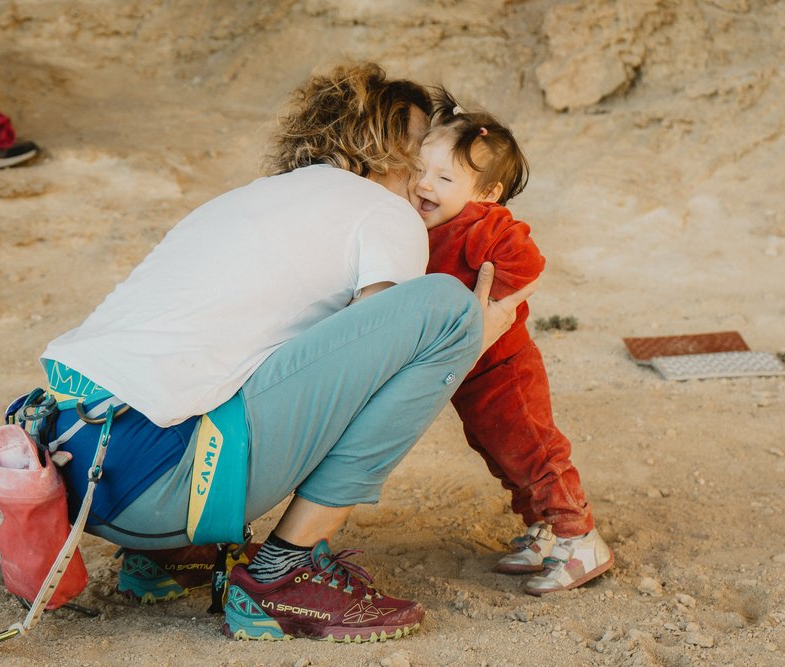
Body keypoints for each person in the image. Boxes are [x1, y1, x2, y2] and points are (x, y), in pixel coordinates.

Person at [32, 63, 535, 642]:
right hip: (158, 481)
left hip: (73, 468)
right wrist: (476, 332)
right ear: (384, 145)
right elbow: (376, 364)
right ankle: (285, 571)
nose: (435, 165)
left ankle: (172, 558)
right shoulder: (383, 211)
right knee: (444, 310)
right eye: (427, 144)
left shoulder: (252, 199)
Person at [410, 89, 613, 595]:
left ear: (487, 193)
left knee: (533, 449)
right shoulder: (427, 226)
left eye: (445, 178)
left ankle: (580, 536)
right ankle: (542, 529)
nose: (424, 184)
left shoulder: (485, 225)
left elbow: (528, 263)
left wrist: (487, 304)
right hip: (470, 376)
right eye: (421, 170)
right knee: (498, 450)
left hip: (505, 368)